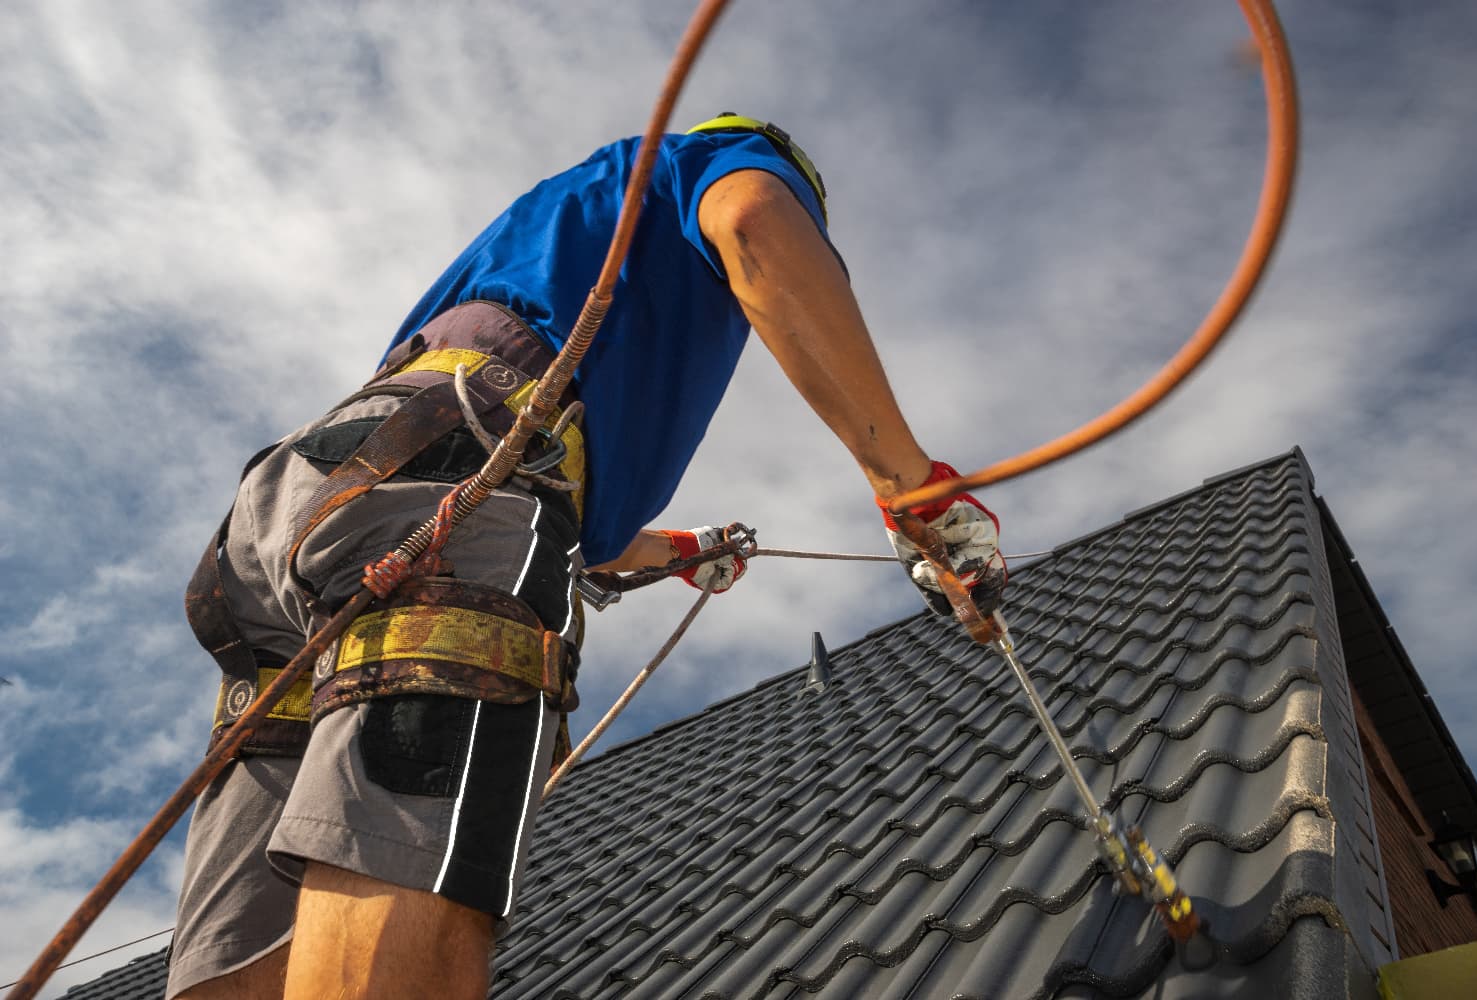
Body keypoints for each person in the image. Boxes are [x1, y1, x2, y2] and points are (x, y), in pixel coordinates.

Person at [166, 113, 1005, 1000]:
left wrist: (681, 552)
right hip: (464, 474)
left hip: (319, 495)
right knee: (398, 854)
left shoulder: (551, 220)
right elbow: (755, 219)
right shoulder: (711, 160)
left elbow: (545, 514)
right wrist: (911, 488)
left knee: (252, 944)